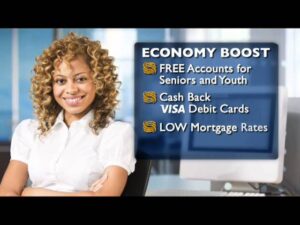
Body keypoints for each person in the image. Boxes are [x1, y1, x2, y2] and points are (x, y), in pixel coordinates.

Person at [0, 32, 136, 196]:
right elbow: (7, 192)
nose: (71, 90)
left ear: (99, 82)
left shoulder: (116, 133)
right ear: (50, 86)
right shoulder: (29, 130)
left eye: (81, 79)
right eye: (61, 81)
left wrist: (31, 193)